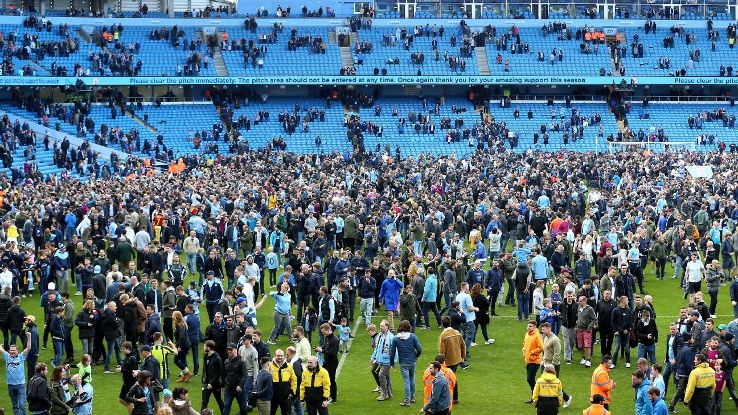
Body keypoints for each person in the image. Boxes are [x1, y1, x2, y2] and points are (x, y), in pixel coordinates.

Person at [390, 320, 422, 406]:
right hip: (412, 361)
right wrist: (416, 356)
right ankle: (413, 397)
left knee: (406, 381)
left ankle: (407, 401)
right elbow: (419, 349)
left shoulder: (396, 338)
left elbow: (392, 352)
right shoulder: (413, 336)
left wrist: (392, 363)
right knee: (412, 379)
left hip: (403, 363)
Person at [540, 322, 572, 407]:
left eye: (543, 329)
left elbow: (557, 354)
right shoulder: (545, 337)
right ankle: (549, 401)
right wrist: (542, 360)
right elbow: (544, 351)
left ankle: (566, 398)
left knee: (554, 384)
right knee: (544, 383)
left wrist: (552, 366)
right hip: (545, 364)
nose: (542, 331)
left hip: (553, 365)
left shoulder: (555, 339)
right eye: (541, 329)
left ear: (549, 329)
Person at [0, 332, 31, 415]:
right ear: (9, 351)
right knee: (15, 405)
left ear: (17, 351)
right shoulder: (7, 356)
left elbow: (28, 348)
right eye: (11, 350)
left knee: (22, 405)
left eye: (14, 350)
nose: (12, 352)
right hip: (10, 385)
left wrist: (29, 337)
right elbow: (1, 350)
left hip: (20, 385)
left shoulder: (21, 356)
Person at [438, 315, 465, 402]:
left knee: (449, 379)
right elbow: (463, 345)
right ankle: (454, 398)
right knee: (452, 377)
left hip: (448, 361)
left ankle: (453, 398)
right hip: (457, 359)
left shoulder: (443, 335)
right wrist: (463, 357)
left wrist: (440, 363)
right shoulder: (457, 332)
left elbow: (441, 351)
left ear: (442, 324)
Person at [370, 319, 394, 401]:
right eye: (380, 326)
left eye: (382, 326)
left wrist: (393, 362)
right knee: (386, 376)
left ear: (387, 327)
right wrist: (373, 357)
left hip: (387, 361)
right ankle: (389, 392)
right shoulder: (380, 335)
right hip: (380, 360)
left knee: (381, 375)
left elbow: (394, 351)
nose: (380, 327)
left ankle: (384, 394)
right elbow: (377, 348)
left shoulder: (391, 337)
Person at [315, 323, 338, 403]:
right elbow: (325, 346)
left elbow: (332, 353)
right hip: (327, 361)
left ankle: (334, 397)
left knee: (332, 379)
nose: (323, 334)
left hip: (332, 362)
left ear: (328, 330)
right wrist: (320, 348)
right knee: (323, 377)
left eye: (324, 332)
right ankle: (327, 393)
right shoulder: (327, 338)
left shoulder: (334, 340)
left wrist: (321, 350)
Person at [269, 348, 297, 415]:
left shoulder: (289, 366)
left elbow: (294, 379)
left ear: (284, 356)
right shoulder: (269, 365)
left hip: (286, 395)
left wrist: (292, 391)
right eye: (278, 355)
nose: (280, 357)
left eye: (281, 355)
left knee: (287, 413)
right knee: (271, 412)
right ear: (275, 356)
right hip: (273, 395)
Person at [222, 343, 248, 415]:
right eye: (228, 350)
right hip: (228, 389)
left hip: (239, 390)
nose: (229, 351)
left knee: (243, 408)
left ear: (235, 350)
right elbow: (224, 375)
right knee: (226, 407)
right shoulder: (226, 361)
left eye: (231, 349)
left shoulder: (241, 362)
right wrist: (223, 385)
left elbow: (245, 375)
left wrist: (240, 386)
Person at [523, 321, 544, 401]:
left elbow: (541, 347)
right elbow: (525, 344)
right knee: (531, 379)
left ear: (535, 327)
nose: (528, 328)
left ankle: (536, 396)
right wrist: (524, 350)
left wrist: (532, 352)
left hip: (535, 361)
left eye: (530, 326)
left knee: (530, 379)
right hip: (528, 360)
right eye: (528, 326)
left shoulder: (537, 336)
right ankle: (535, 397)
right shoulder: (527, 334)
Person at [201, 340, 224, 413]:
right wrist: (203, 380)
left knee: (219, 401)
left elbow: (218, 373)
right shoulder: (205, 356)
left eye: (205, 346)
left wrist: (211, 383)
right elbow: (204, 369)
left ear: (209, 348)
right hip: (206, 384)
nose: (203, 347)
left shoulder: (217, 359)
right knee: (204, 402)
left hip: (215, 384)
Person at [119, 341, 139, 415]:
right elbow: (126, 367)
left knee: (126, 401)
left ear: (128, 348)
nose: (122, 350)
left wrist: (122, 370)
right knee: (121, 399)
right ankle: (134, 410)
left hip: (130, 382)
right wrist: (121, 368)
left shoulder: (132, 358)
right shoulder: (127, 356)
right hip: (126, 382)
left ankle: (133, 411)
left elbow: (133, 371)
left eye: (123, 349)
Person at [576, 295, 596, 367]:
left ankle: (588, 360)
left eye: (580, 301)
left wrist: (589, 327)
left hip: (586, 330)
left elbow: (594, 319)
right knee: (580, 345)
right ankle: (583, 358)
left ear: (584, 301)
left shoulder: (590, 309)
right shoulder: (579, 307)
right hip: (579, 329)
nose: (579, 302)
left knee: (587, 345)